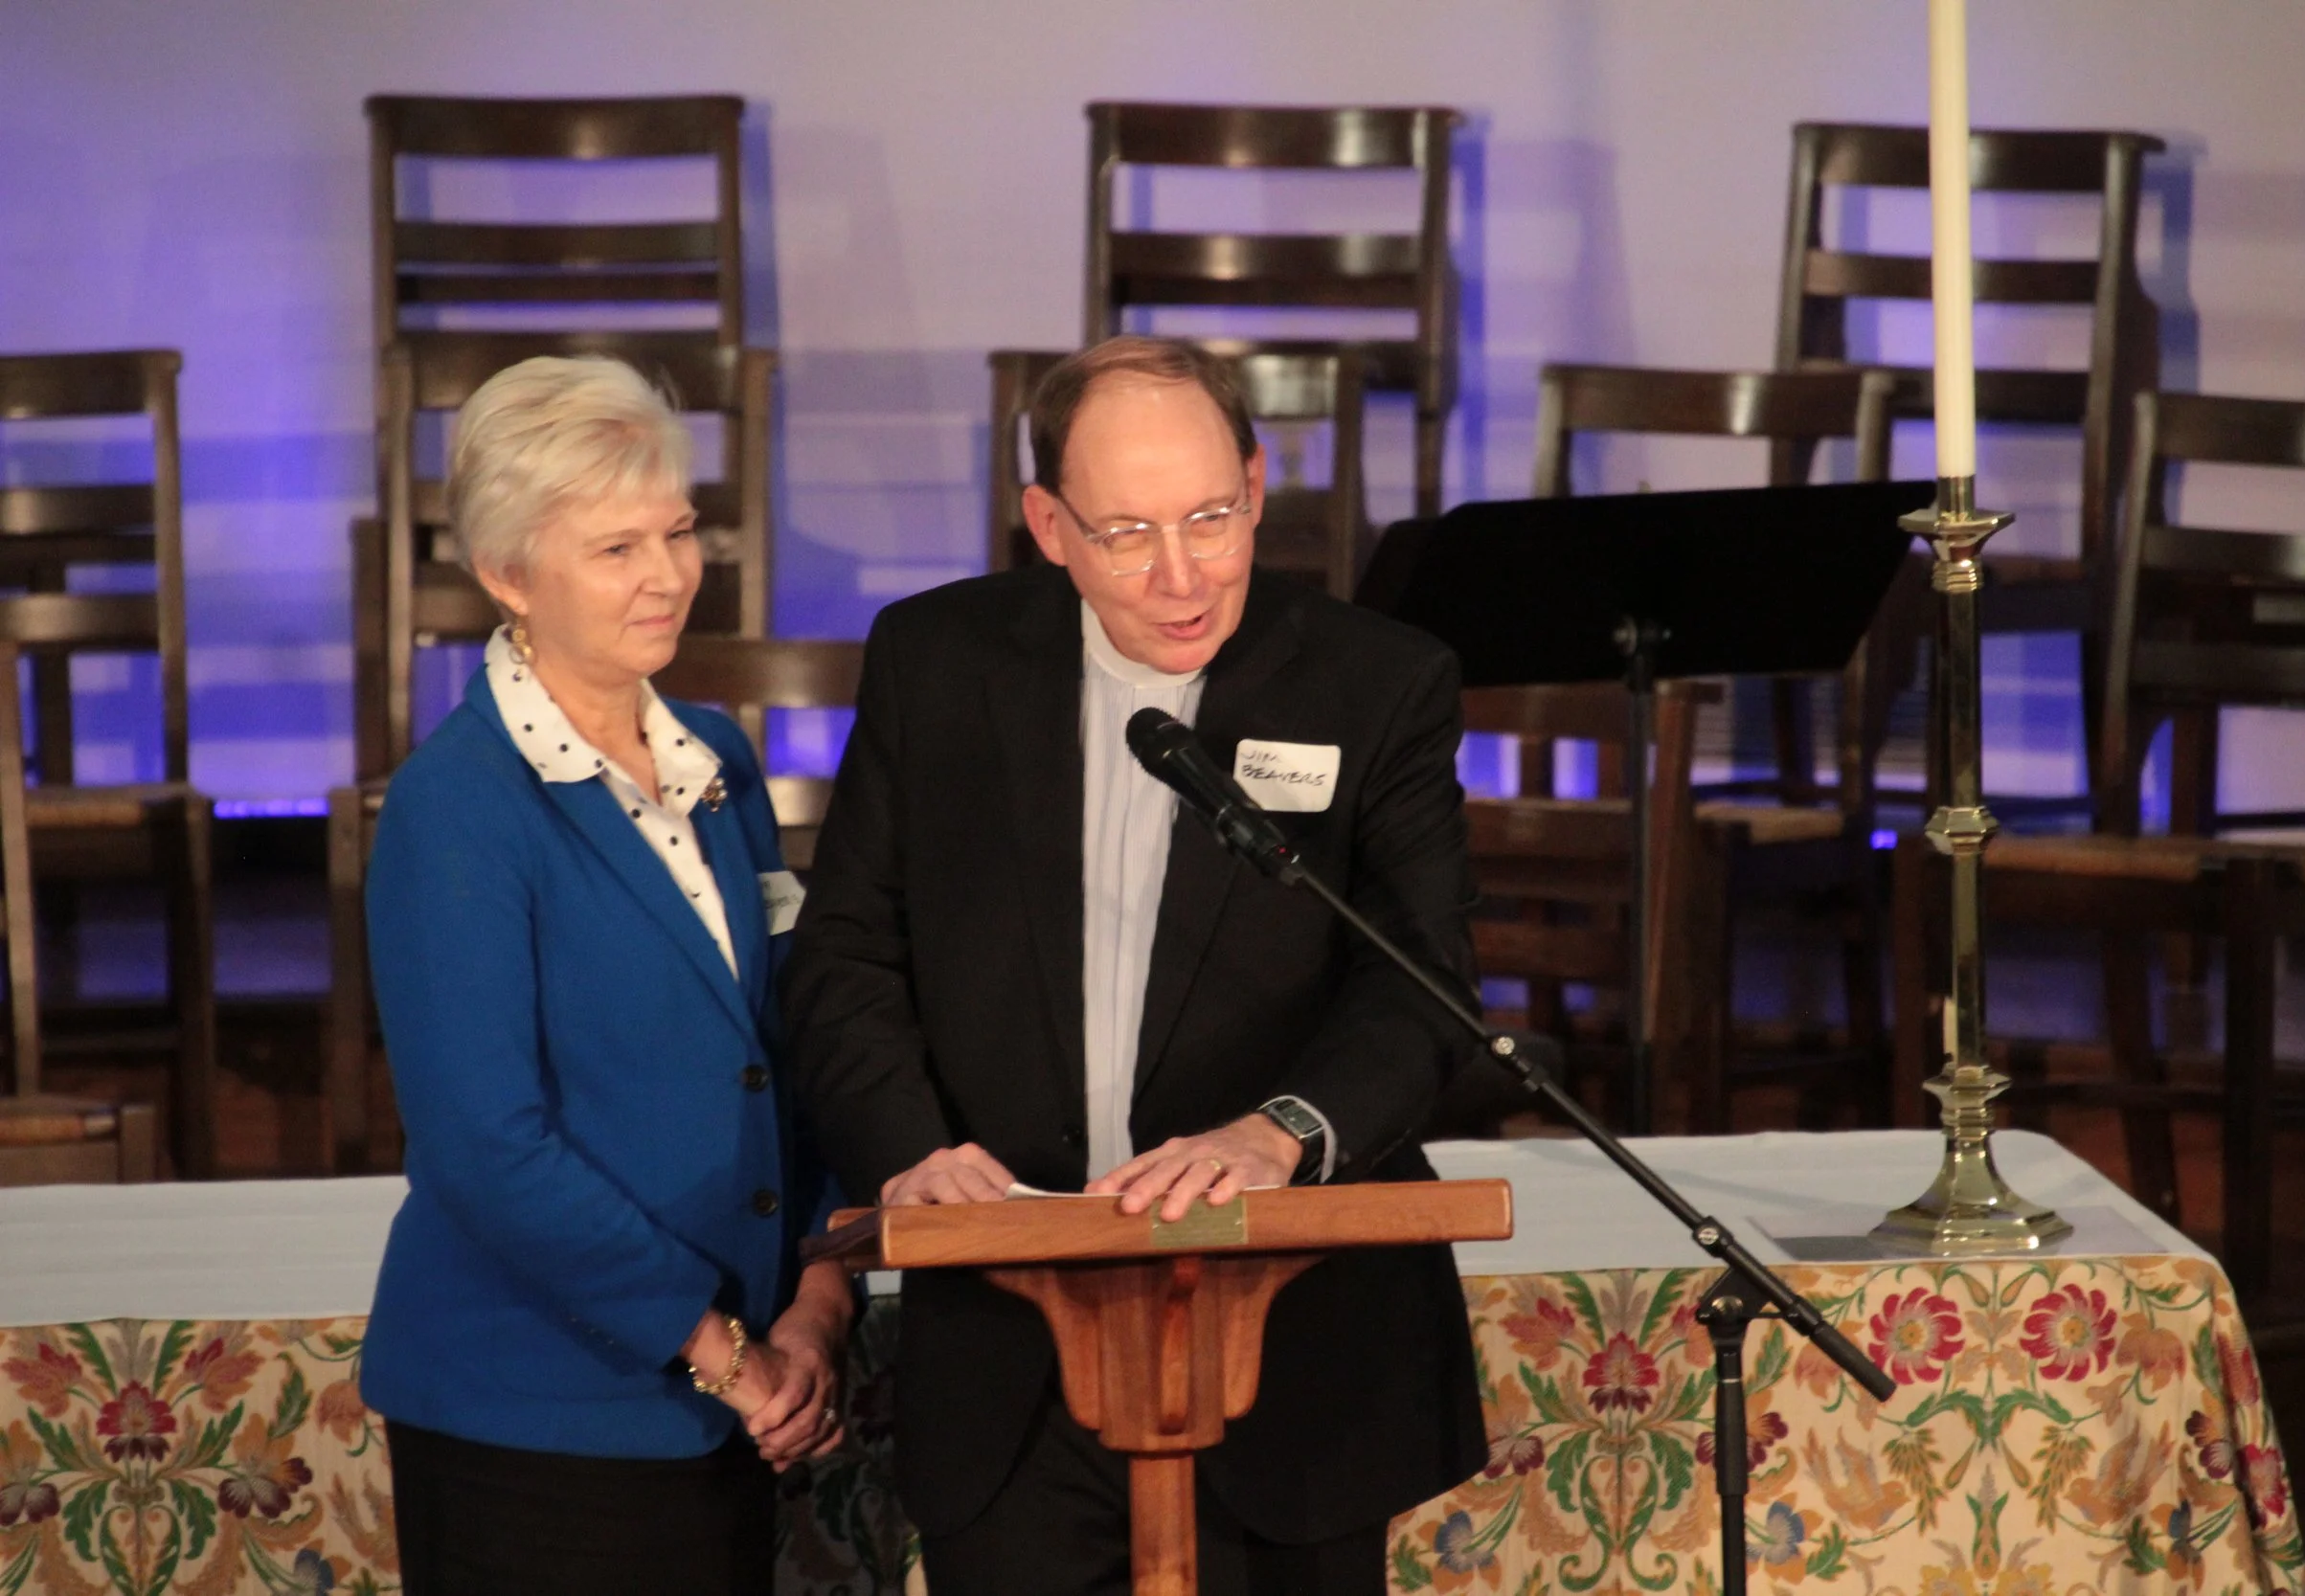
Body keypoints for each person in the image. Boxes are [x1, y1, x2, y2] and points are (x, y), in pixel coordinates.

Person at [784, 335, 1486, 1593]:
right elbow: (846, 953)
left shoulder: (1378, 683)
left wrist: (1279, 1132)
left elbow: (1418, 983)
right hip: (1008, 1360)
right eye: (1126, 534)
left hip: (1293, 1364)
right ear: (1049, 526)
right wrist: (909, 1152)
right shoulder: (938, 662)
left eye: (1211, 518)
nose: (1181, 575)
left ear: (1257, 488)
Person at [360, 355, 854, 1596]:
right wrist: (726, 1355)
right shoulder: (454, 806)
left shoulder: (720, 761)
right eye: (617, 547)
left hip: (726, 1409)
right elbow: (486, 1148)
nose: (669, 575)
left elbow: (790, 1049)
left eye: (678, 532)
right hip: (538, 1421)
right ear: (507, 573)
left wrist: (817, 1296)